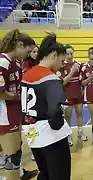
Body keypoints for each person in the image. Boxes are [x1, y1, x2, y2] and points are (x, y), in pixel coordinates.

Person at [21, 33, 72, 180]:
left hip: (33, 135)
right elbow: (56, 110)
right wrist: (58, 125)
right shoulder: (51, 78)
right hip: (51, 136)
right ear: (54, 55)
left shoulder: (27, 75)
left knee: (44, 172)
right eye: (62, 61)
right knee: (59, 174)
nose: (61, 65)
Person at [0, 29, 38, 180]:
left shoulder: (15, 62)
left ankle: (20, 173)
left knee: (15, 154)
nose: (28, 55)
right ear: (20, 45)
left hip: (13, 113)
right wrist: (18, 96)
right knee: (12, 159)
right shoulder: (3, 62)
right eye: (28, 51)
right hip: (5, 115)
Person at [56, 45, 87, 146]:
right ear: (64, 55)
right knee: (68, 116)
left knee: (79, 114)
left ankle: (80, 131)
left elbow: (82, 79)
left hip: (78, 93)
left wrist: (83, 88)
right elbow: (63, 82)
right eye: (67, 54)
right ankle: (68, 135)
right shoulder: (61, 66)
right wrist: (73, 71)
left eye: (71, 53)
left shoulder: (78, 64)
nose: (70, 56)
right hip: (67, 95)